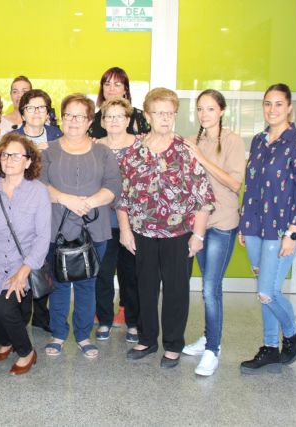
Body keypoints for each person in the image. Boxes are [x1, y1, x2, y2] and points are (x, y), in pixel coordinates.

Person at [117, 87, 215, 368]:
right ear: (147, 115)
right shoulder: (133, 150)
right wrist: (125, 230)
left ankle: (173, 344)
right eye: (159, 113)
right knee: (144, 288)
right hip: (142, 233)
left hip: (179, 235)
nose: (165, 118)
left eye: (170, 113)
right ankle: (147, 339)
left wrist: (198, 234)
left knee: (176, 291)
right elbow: (123, 196)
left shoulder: (185, 150)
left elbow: (203, 197)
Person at [239, 83, 296, 374]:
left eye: (278, 104)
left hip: (282, 229)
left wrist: (293, 232)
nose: (272, 109)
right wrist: (245, 224)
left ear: (289, 108)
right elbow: (252, 185)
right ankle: (271, 347)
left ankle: (292, 332)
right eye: (268, 104)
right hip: (256, 225)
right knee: (264, 289)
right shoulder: (259, 140)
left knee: (267, 291)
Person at [40, 93, 122, 359]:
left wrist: (87, 203)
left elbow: (113, 187)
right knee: (60, 284)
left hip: (94, 228)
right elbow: (40, 185)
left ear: (90, 121)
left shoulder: (103, 151)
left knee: (88, 284)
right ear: (61, 118)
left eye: (80, 116)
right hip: (56, 227)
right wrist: (66, 200)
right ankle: (58, 334)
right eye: (68, 115)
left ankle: (84, 335)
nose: (73, 121)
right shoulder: (48, 150)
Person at [181, 89, 246, 376]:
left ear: (221, 111)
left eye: (210, 109)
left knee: (209, 288)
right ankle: (208, 337)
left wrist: (200, 157)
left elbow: (234, 183)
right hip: (199, 224)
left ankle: (213, 350)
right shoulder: (194, 140)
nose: (204, 114)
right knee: (209, 288)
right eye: (200, 109)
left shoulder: (232, 140)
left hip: (222, 222)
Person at [0, 133, 51, 375]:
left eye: (16, 155)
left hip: (24, 264)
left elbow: (42, 237)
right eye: (5, 155)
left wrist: (23, 273)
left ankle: (27, 352)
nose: (9, 160)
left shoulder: (38, 192)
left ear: (28, 161)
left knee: (6, 310)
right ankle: (6, 342)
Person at [13, 88, 62, 331]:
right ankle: (20, 317)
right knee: (21, 260)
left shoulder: (57, 135)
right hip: (21, 210)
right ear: (22, 113)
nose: (35, 112)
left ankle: (42, 318)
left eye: (41, 108)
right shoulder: (13, 138)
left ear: (48, 113)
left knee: (44, 263)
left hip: (50, 207)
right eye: (30, 108)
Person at [92, 98, 139, 343]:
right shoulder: (95, 146)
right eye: (109, 116)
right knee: (103, 273)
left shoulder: (140, 146)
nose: (113, 121)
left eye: (119, 116)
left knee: (131, 275)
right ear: (102, 121)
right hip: (102, 221)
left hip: (134, 222)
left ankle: (133, 321)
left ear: (128, 120)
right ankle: (104, 319)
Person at [88, 66, 149, 139]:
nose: (111, 89)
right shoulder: (91, 120)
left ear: (125, 90)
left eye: (117, 85)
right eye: (107, 84)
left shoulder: (141, 117)